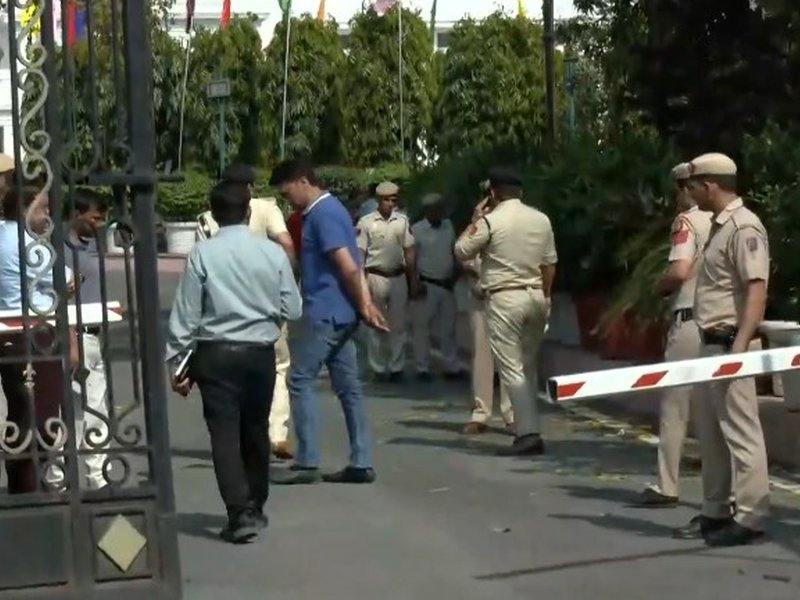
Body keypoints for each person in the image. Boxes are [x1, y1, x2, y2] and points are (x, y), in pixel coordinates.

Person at [167, 180, 302, 544]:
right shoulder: (272, 254)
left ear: (212, 214)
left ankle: (238, 512)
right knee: (255, 429)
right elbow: (294, 306)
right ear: (247, 211)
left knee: (224, 434)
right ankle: (256, 503)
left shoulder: (202, 254)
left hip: (215, 353)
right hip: (258, 353)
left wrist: (177, 362)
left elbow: (186, 315)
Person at [671, 152, 770, 547]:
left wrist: (740, 347)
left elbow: (756, 290)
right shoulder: (718, 227)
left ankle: (750, 515)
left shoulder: (745, 227)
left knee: (742, 435)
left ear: (710, 185)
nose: (690, 192)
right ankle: (715, 509)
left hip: (730, 343)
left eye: (693, 185)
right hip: (710, 343)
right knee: (711, 434)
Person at [268, 157, 387, 485]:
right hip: (341, 311)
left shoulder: (322, 214)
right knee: (349, 388)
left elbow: (347, 266)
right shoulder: (329, 211)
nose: (286, 197)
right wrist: (363, 305)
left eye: (287, 190)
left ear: (303, 181)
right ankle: (360, 461)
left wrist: (365, 304)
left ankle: (308, 461)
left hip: (327, 312)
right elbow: (354, 266)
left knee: (300, 379)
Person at [196, 163, 296, 460]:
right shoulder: (266, 208)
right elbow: (287, 244)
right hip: (266, 305)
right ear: (251, 187)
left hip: (222, 312)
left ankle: (241, 436)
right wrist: (287, 284)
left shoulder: (208, 218)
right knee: (277, 367)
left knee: (227, 381)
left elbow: (200, 267)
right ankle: (275, 434)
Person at [454, 167, 557, 456]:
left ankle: (528, 433)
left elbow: (461, 250)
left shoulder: (490, 221)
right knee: (527, 367)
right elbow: (549, 264)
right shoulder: (541, 219)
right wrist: (546, 296)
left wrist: (475, 219)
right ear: (520, 191)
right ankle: (527, 424)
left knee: (511, 369)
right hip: (536, 296)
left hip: (504, 298)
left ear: (493, 192)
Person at [635, 163, 712, 507]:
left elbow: (679, 270)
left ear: (685, 188)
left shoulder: (687, 222)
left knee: (675, 406)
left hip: (690, 321)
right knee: (714, 407)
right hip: (723, 324)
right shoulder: (728, 221)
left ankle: (667, 485)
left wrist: (658, 286)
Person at [0, 185, 78, 493]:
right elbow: (68, 281)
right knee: (43, 417)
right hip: (36, 334)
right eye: (43, 208)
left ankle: (21, 485)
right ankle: (32, 490)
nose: (47, 215)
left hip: (6, 334)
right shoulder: (28, 243)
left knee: (20, 413)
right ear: (25, 209)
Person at [63, 188, 113, 490]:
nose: (100, 223)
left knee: (96, 409)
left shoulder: (93, 244)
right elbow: (58, 298)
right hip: (72, 336)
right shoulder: (60, 248)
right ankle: (61, 478)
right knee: (72, 410)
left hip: (93, 335)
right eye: (94, 217)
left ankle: (98, 476)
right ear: (76, 215)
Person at [356, 181, 418, 381]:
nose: (391, 204)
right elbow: (360, 253)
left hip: (398, 276)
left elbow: (409, 251)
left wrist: (413, 279)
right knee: (376, 325)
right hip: (375, 276)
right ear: (378, 200)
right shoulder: (366, 222)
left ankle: (396, 366)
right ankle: (378, 367)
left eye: (394, 200)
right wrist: (360, 283)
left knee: (398, 325)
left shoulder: (402, 221)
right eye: (387, 200)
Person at [461, 251, 514, 435]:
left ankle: (513, 416)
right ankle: (480, 414)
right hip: (480, 296)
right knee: (481, 356)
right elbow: (461, 252)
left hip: (508, 295)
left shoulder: (512, 225)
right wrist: (472, 271)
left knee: (510, 357)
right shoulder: (476, 227)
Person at [410, 192, 461, 381]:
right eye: (435, 209)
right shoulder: (417, 229)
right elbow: (412, 258)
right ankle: (422, 366)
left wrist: (455, 275)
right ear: (428, 210)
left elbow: (453, 251)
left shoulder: (448, 227)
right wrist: (414, 282)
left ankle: (451, 366)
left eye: (441, 208)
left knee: (448, 328)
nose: (439, 212)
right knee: (422, 328)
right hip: (427, 283)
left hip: (446, 283)